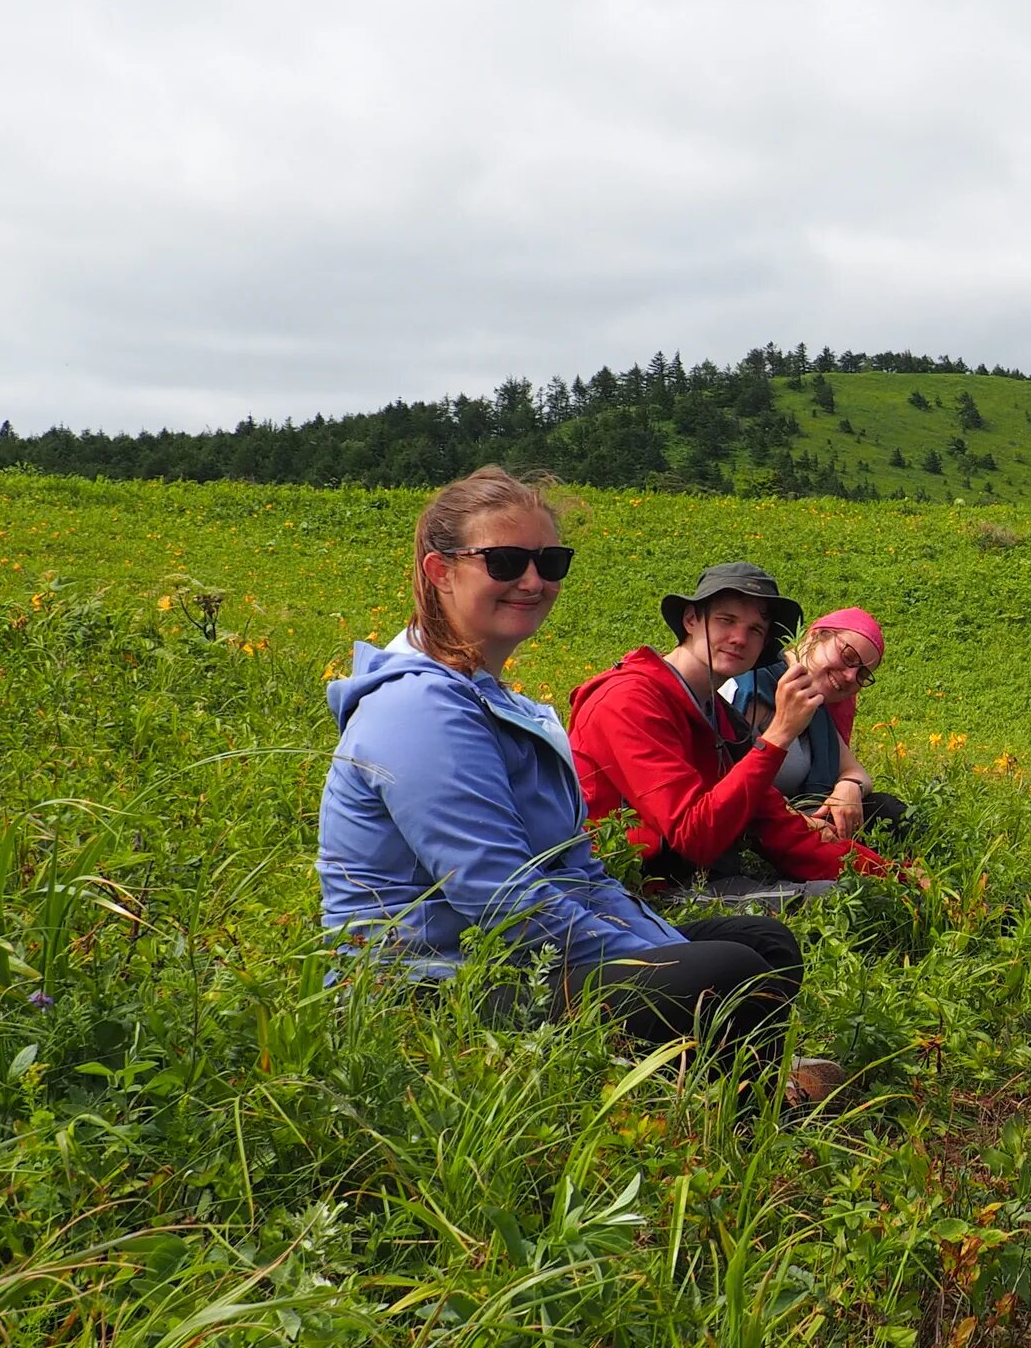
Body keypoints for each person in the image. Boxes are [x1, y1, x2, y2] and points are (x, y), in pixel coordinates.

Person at [317, 469, 845, 1106]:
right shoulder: (419, 710)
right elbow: (502, 898)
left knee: (759, 943)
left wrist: (663, 950)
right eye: (507, 561)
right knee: (730, 971)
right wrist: (655, 960)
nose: (534, 581)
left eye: (550, 561)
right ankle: (731, 1120)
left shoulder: (493, 699)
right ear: (440, 571)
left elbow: (580, 873)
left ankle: (702, 1084)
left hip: (510, 951)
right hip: (432, 982)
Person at [569, 560, 890, 896]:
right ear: (691, 620)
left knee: (851, 892)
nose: (739, 638)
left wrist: (900, 880)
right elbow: (694, 838)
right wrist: (778, 735)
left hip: (694, 875)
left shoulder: (717, 715)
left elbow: (777, 826)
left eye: (755, 630)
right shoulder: (627, 700)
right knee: (778, 927)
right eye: (726, 620)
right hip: (623, 889)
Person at [723, 605, 912, 843]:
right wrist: (796, 820)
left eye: (862, 674)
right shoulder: (754, 685)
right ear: (816, 636)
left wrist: (848, 786)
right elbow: (728, 781)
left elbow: (857, 773)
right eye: (848, 657)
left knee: (889, 810)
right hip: (758, 824)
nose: (851, 676)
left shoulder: (815, 705)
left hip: (806, 822)